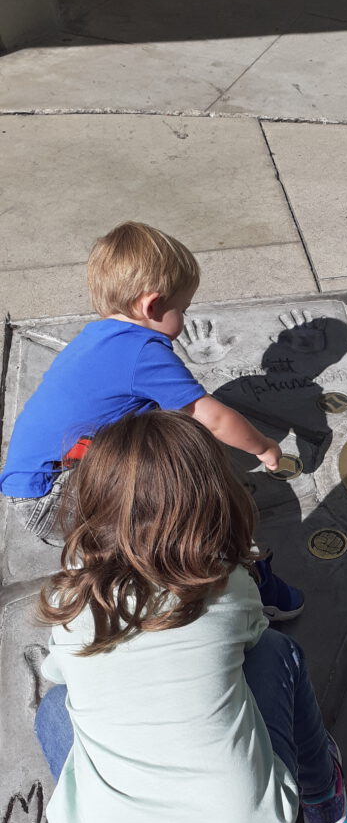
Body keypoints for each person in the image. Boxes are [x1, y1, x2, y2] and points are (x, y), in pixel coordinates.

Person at [33, 410, 347, 823]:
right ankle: (324, 804)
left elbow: (61, 673)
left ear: (91, 505)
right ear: (216, 499)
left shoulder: (71, 603)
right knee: (277, 654)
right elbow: (254, 639)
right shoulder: (226, 586)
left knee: (53, 707)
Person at [0, 220, 302, 619]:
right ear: (153, 306)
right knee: (184, 512)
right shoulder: (145, 353)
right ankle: (230, 575)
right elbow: (212, 419)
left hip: (37, 483)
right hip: (56, 498)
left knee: (163, 446)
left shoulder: (97, 337)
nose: (185, 318)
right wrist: (264, 447)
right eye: (183, 309)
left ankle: (114, 550)